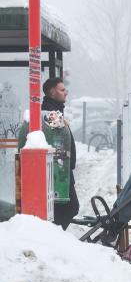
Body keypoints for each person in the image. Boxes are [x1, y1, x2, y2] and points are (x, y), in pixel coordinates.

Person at [42, 77, 79, 230]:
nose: (66, 93)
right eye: (62, 90)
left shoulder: (55, 111)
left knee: (65, 208)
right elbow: (59, 139)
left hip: (62, 168)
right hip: (59, 170)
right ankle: (54, 235)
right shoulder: (50, 114)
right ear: (52, 92)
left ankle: (55, 235)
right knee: (69, 207)